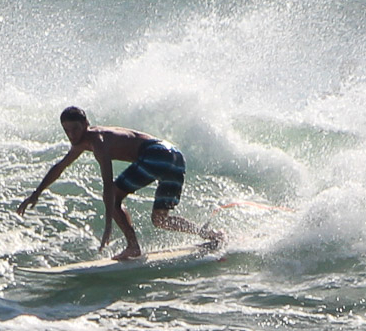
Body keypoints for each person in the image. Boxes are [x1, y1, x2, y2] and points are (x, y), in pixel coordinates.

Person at [16, 106, 224, 260]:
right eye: (67, 131)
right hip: (175, 157)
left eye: (76, 129)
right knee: (160, 219)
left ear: (86, 124)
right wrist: (36, 193)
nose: (72, 135)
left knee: (114, 195)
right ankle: (210, 235)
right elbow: (60, 167)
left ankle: (133, 246)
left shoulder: (97, 140)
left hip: (157, 154)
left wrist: (108, 225)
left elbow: (108, 185)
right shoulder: (83, 142)